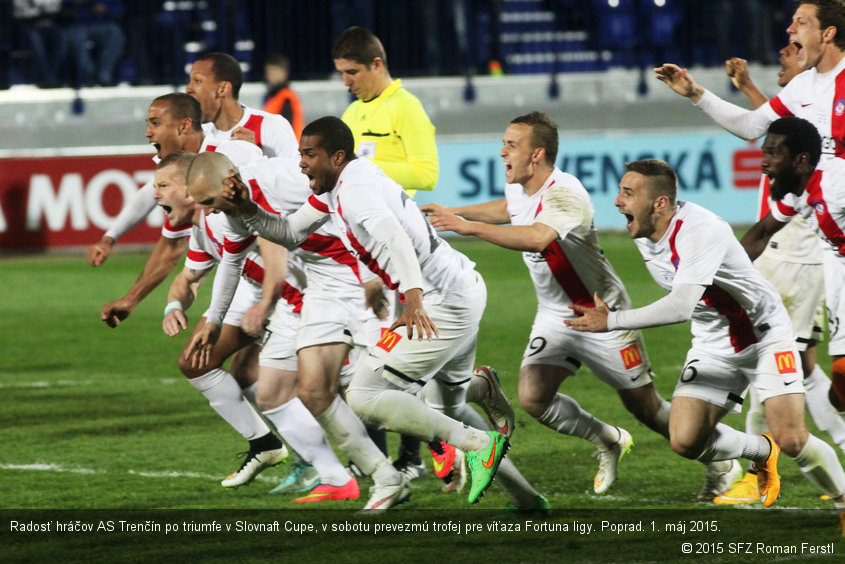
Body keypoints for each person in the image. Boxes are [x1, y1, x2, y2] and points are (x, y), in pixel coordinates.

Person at [423, 112, 739, 500]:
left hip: (603, 313)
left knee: (648, 409)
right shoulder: (520, 186)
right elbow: (509, 210)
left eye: (511, 145)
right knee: (533, 398)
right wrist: (456, 211)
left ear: (536, 154)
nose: (502, 151)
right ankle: (608, 439)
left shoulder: (564, 193)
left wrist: (465, 227)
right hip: (556, 314)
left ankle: (722, 461)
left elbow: (539, 237)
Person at [215, 116, 511, 510]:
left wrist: (413, 295)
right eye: (300, 153)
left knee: (372, 395)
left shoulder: (354, 191)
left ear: (336, 156)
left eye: (309, 154)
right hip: (447, 291)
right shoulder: (337, 188)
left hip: (443, 299)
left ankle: (473, 444)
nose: (301, 163)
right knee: (413, 396)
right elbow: (288, 233)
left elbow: (394, 236)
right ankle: (498, 439)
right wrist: (248, 208)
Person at [567, 159, 845, 516]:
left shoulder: (700, 229)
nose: (618, 201)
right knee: (684, 440)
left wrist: (613, 321)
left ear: (660, 203)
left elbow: (682, 305)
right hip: (714, 344)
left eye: (628, 193)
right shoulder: (645, 234)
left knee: (791, 438)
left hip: (765, 337)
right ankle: (761, 451)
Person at [654, 0, 845, 419]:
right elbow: (752, 126)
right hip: (831, 246)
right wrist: (696, 94)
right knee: (837, 373)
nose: (790, 30)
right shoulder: (803, 87)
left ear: (827, 33)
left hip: (824, 232)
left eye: (801, 22)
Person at [715, 49, 845, 504]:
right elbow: (763, 230)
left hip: (813, 267)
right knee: (818, 375)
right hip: (827, 269)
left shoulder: (836, 179)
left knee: (799, 369)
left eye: (773, 153)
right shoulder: (800, 191)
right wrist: (719, 272)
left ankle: (760, 472)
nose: (763, 160)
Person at [332, 25, 440, 480]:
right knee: (373, 359)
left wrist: (365, 165)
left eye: (352, 72)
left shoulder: (406, 107)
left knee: (398, 359)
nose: (346, 81)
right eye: (340, 73)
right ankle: (391, 459)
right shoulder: (353, 113)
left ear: (377, 64)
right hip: (365, 249)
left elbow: (426, 173)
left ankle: (414, 457)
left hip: (404, 246)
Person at [153, 151, 291, 487]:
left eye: (163, 186)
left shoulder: (225, 212)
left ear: (190, 192)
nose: (155, 194)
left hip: (288, 289)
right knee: (198, 363)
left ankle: (332, 466)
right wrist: (174, 306)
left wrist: (268, 303)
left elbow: (274, 246)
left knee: (331, 384)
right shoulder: (205, 226)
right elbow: (190, 276)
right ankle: (272, 446)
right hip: (254, 291)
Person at [85, 51, 298, 267]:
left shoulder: (271, 126)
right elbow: (153, 189)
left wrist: (255, 157)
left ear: (223, 89)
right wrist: (111, 237)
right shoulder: (197, 135)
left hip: (282, 250)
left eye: (197, 81)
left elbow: (296, 184)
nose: (188, 88)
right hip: (239, 253)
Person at [262, 53, 304, 140]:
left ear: (284, 73)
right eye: (269, 73)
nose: (271, 76)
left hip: (289, 148)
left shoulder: (286, 97)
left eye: (274, 72)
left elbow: (287, 128)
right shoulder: (272, 96)